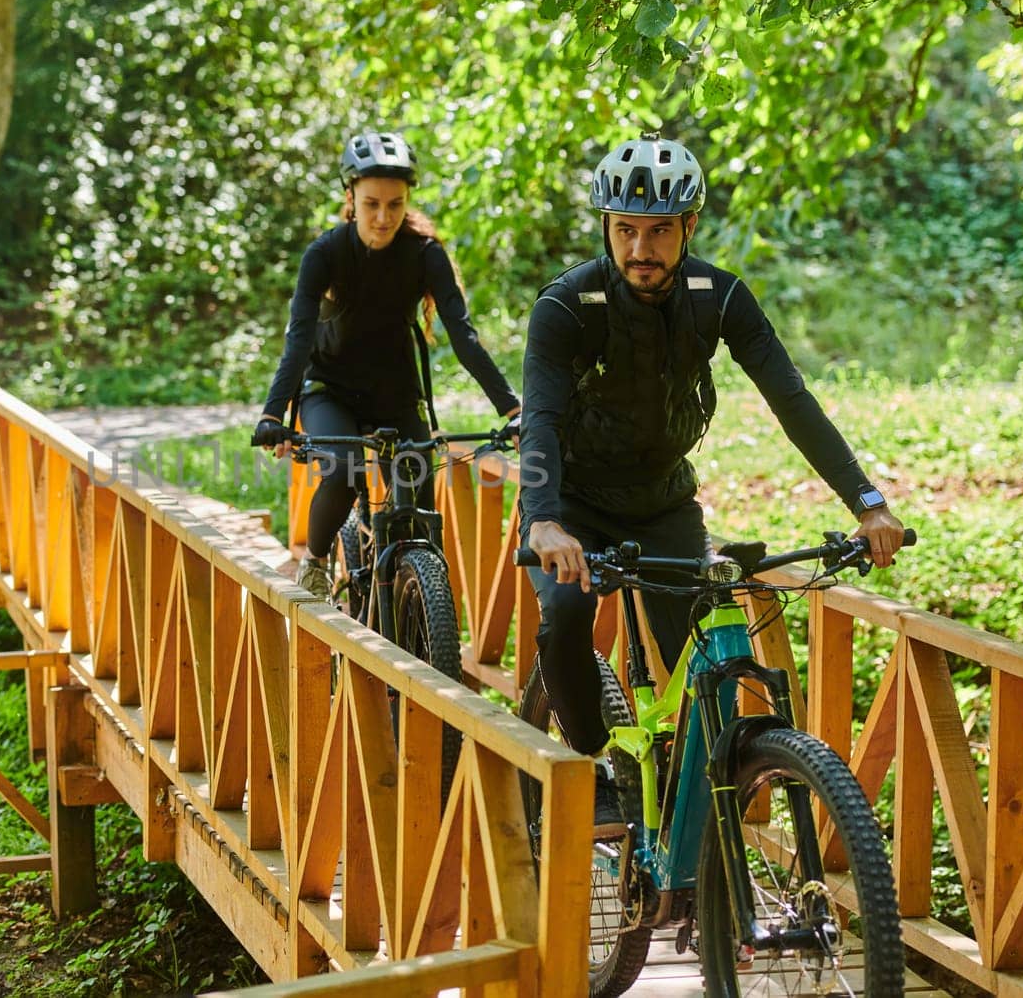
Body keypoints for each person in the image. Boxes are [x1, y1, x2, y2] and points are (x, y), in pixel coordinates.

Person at [520, 132, 906, 829]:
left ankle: (703, 825)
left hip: (663, 503)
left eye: (660, 230)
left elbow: (792, 400)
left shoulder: (718, 297)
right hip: (572, 507)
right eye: (626, 230)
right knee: (568, 616)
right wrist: (542, 518)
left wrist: (867, 501)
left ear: (689, 226)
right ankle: (598, 763)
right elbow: (540, 420)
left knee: (708, 661)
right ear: (605, 227)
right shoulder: (568, 305)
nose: (641, 249)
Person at [253, 130, 521, 600]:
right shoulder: (325, 254)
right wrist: (274, 415)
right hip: (330, 391)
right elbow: (298, 340)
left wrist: (512, 410)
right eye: (372, 203)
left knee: (419, 501)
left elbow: (464, 336)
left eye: (395, 204)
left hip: (396, 393)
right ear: (350, 197)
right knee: (341, 473)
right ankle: (316, 561)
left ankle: (420, 611)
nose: (383, 217)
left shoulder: (423, 254)